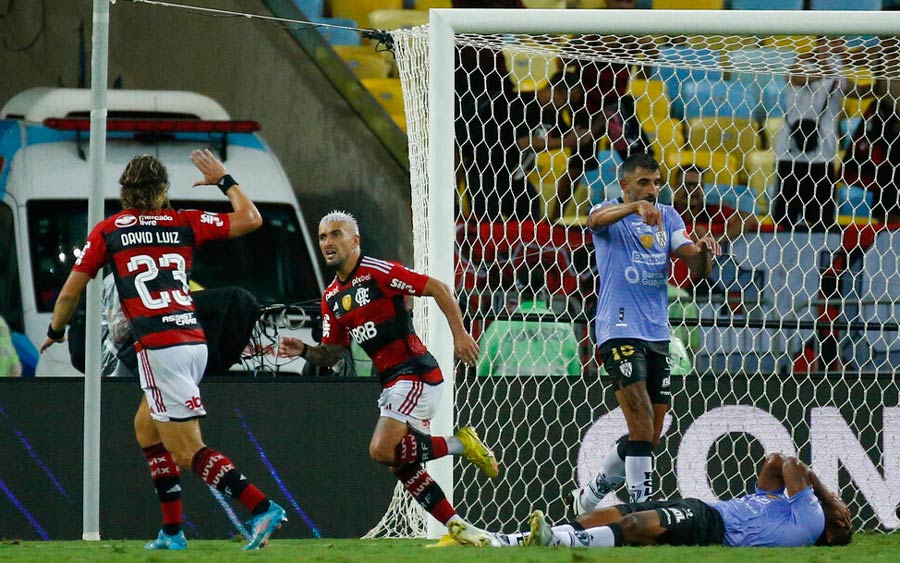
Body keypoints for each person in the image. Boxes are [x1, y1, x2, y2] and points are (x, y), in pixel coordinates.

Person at [39, 149, 286, 551]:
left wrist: (55, 330)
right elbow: (251, 219)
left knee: (189, 451)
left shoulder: (110, 231)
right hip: (193, 341)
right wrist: (224, 180)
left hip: (157, 348)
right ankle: (172, 532)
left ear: (124, 192)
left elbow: (70, 291)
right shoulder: (183, 221)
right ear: (163, 191)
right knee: (146, 428)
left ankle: (261, 507)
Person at [277, 210, 499, 542]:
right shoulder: (332, 299)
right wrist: (306, 351)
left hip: (416, 373)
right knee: (401, 463)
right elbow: (333, 352)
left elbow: (437, 287)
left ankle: (460, 444)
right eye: (323, 237)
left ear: (355, 241)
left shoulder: (379, 272)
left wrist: (460, 335)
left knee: (381, 450)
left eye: (336, 234)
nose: (328, 243)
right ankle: (459, 528)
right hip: (394, 382)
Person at [572, 153, 720, 512]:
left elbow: (695, 266)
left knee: (650, 433)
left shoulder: (668, 217)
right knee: (639, 423)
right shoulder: (610, 212)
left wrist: (703, 251)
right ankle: (641, 509)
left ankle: (588, 497)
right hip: (618, 329)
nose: (652, 190)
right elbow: (594, 219)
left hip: (657, 334)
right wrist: (633, 208)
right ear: (625, 185)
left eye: (656, 183)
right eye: (643, 183)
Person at [450, 452, 853, 549]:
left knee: (632, 526)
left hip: (713, 526)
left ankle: (555, 543)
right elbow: (774, 463)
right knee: (603, 516)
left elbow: (793, 465)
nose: (839, 502)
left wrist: (819, 491)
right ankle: (507, 541)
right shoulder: (783, 508)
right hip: (702, 508)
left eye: (843, 509)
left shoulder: (811, 519)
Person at [460, 69, 591, 222]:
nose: (569, 108)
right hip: (487, 173)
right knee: (488, 227)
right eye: (571, 101)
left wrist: (596, 126)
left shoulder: (552, 113)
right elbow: (524, 143)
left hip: (515, 177)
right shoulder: (519, 104)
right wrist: (567, 142)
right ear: (558, 91)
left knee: (529, 215)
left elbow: (573, 136)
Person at [772, 38, 853, 231]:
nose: (836, 47)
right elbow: (794, 77)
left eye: (840, 43)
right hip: (791, 156)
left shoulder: (838, 75)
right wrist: (830, 64)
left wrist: (843, 63)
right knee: (784, 221)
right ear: (820, 43)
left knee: (823, 223)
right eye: (832, 42)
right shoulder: (801, 64)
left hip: (823, 157)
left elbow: (855, 91)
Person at [671, 165, 758, 242]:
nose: (691, 189)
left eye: (697, 185)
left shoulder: (713, 211)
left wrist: (716, 240)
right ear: (675, 187)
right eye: (686, 184)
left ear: (703, 188)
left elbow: (748, 219)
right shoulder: (667, 212)